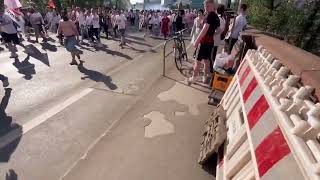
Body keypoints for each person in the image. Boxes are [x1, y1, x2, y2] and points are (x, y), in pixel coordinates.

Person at [188, 0, 220, 84]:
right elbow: (219, 30)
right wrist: (212, 34)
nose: (206, 7)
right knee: (206, 60)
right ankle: (205, 78)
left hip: (204, 42)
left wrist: (196, 41)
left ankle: (194, 78)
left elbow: (205, 29)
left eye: (208, 6)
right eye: (205, 6)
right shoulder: (216, 16)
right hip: (210, 42)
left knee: (197, 61)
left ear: (213, 5)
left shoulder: (209, 16)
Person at [211, 4, 226, 73]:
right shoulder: (223, 18)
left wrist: (211, 33)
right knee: (215, 53)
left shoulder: (219, 18)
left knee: (213, 53)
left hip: (216, 38)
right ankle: (213, 67)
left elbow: (218, 30)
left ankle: (212, 68)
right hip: (219, 38)